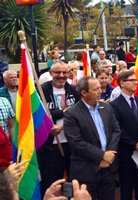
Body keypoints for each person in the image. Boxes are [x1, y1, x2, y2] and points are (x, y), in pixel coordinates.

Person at [64, 77, 121, 200]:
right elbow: (76, 142)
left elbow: (116, 130)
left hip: (108, 169)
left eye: (100, 88)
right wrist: (101, 155)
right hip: (86, 171)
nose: (100, 91)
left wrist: (109, 155)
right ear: (84, 93)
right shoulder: (72, 113)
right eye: (96, 89)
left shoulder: (106, 107)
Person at [38, 61, 80, 197]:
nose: (61, 75)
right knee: (53, 181)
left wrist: (62, 125)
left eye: (64, 72)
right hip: (50, 145)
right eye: (57, 72)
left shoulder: (74, 90)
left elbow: (79, 113)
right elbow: (42, 115)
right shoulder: (41, 90)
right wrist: (64, 111)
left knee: (74, 181)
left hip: (72, 142)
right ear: (50, 73)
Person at [110, 70, 138, 200]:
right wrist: (134, 145)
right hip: (126, 154)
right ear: (122, 83)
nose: (136, 82)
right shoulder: (114, 105)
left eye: (136, 80)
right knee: (126, 189)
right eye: (132, 80)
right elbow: (117, 129)